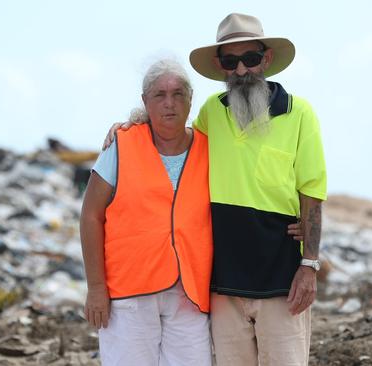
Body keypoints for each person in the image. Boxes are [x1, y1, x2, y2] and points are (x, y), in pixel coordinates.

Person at [104, 13, 327, 366]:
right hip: (222, 288)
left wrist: (309, 265)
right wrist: (135, 120)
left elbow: (312, 194)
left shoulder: (300, 114)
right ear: (221, 66)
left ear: (266, 60)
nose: (241, 70)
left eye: (250, 59)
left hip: (283, 283)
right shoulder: (211, 113)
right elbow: (174, 132)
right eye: (231, 61)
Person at [80, 59, 214, 366]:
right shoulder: (122, 145)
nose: (170, 103)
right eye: (160, 95)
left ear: (190, 100)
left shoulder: (209, 149)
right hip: (129, 294)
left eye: (178, 94)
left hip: (190, 294)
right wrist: (96, 288)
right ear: (145, 101)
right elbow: (90, 216)